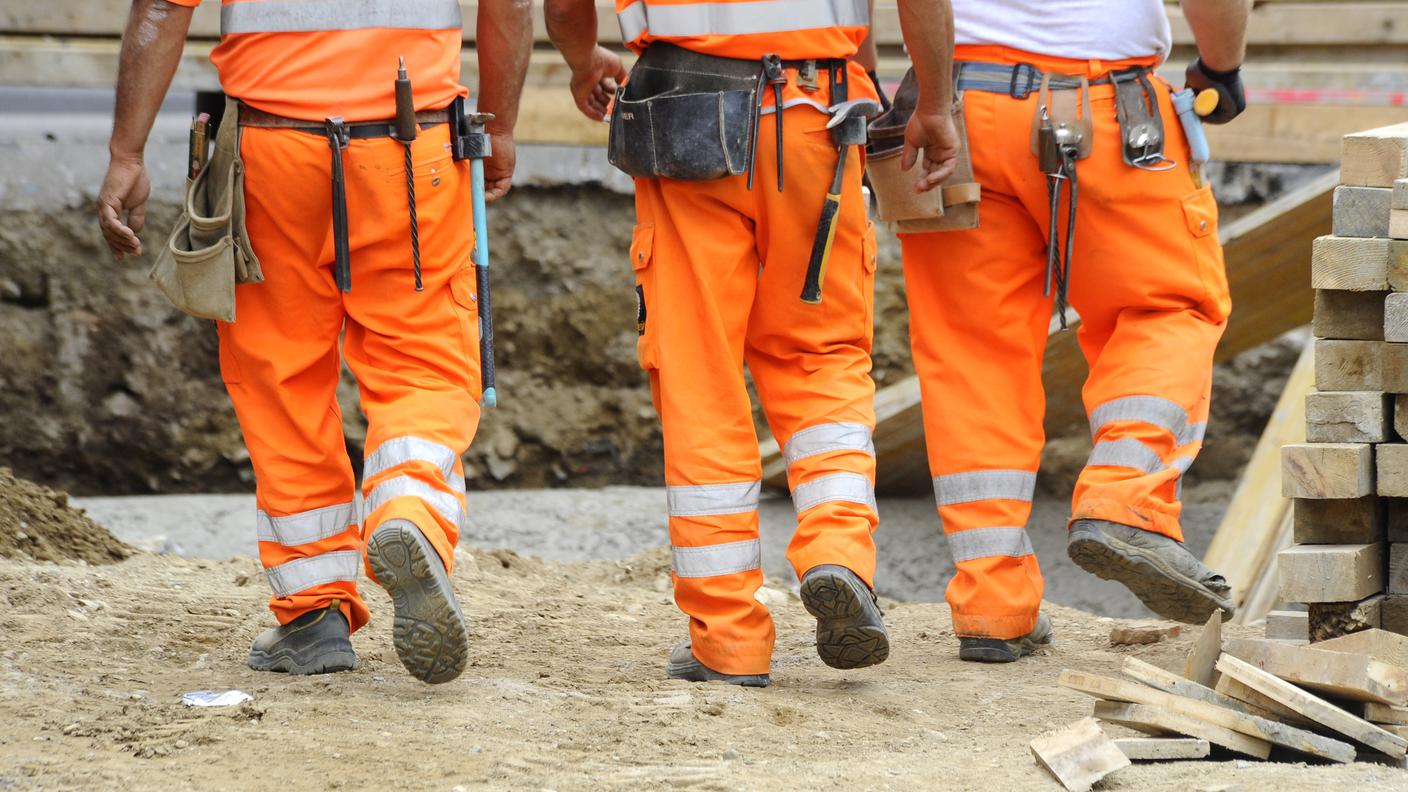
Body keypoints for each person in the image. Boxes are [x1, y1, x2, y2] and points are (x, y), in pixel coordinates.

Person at [96, 0, 532, 683]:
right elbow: (510, 6)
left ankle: (313, 615)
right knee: (423, 361)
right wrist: (500, 127)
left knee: (280, 377)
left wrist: (127, 151)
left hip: (270, 152)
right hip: (411, 148)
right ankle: (410, 510)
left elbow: (160, 9)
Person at [545, 0, 959, 687]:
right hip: (816, 120)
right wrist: (933, 102)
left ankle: (728, 638)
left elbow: (560, 7)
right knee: (820, 356)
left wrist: (583, 58)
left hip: (684, 114)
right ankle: (837, 552)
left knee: (699, 374)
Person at [891, 0, 1250, 663]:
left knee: (973, 356)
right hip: (1105, 113)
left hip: (954, 113)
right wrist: (1220, 68)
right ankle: (1124, 497)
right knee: (1167, 308)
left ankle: (991, 606)